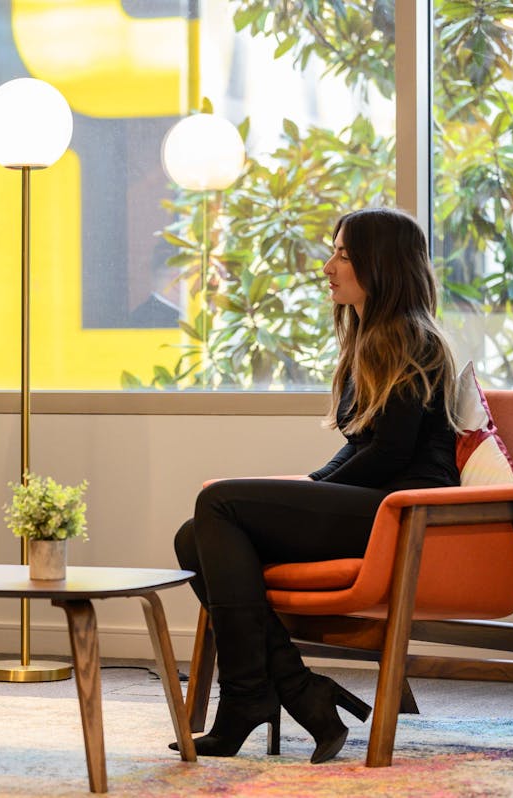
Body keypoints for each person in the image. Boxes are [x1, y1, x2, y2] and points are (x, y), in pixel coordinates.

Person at [172, 207, 459, 763]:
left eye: (343, 255)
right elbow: (360, 446)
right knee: (193, 536)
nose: (328, 267)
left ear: (380, 266)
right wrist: (314, 485)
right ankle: (290, 689)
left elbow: (390, 454)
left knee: (218, 502)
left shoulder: (412, 339)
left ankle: (255, 697)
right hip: (371, 505)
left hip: (401, 512)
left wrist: (312, 491)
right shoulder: (373, 338)